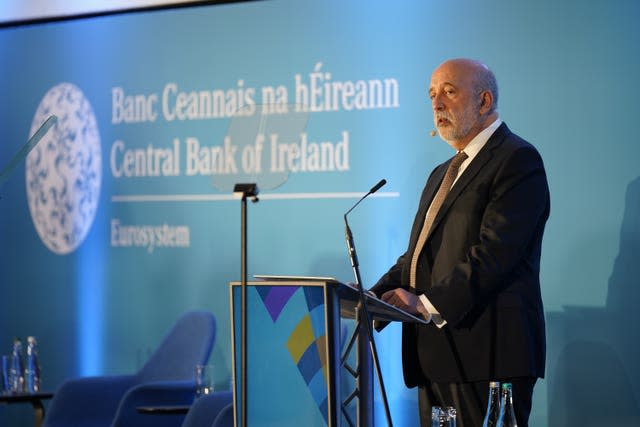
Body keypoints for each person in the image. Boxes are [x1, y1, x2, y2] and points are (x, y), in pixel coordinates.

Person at [371, 58, 549, 427]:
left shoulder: (517, 159)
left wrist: (422, 304)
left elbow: (494, 255)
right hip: (437, 355)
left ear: (484, 101)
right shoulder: (441, 174)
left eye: (449, 92)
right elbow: (419, 256)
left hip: (490, 358)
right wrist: (371, 298)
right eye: (432, 94)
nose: (436, 104)